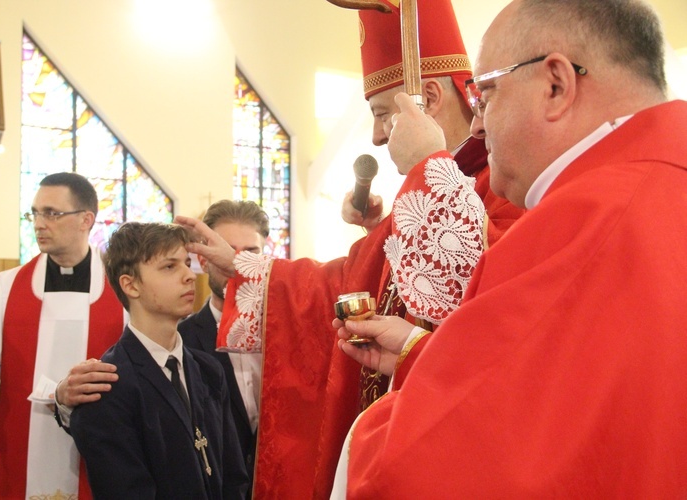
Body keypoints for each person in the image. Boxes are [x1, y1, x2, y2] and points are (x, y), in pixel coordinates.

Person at [333, 0, 687, 496]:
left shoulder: (582, 223)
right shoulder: (656, 187)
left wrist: (365, 447)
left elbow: (447, 459)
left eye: (488, 94)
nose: (479, 125)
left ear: (556, 86)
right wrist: (422, 353)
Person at [180, 2, 524, 498]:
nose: (377, 136)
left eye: (383, 114)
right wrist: (241, 264)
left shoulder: (504, 182)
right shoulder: (444, 187)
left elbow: (496, 297)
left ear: (427, 95)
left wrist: (426, 171)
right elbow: (344, 282)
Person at [0, 172, 125, 498]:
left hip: (101, 457)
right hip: (17, 460)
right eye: (35, 213)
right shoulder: (7, 289)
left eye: (51, 213)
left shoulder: (123, 292)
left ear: (86, 220)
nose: (39, 223)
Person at [69, 222, 248, 499]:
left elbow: (234, 477)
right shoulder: (107, 388)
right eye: (169, 266)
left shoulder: (209, 369)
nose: (189, 275)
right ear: (130, 285)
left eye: (187, 263)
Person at [177, 200, 268, 498]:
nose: (235, 263)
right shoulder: (180, 340)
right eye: (226, 250)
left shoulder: (291, 335)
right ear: (203, 260)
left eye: (250, 254)